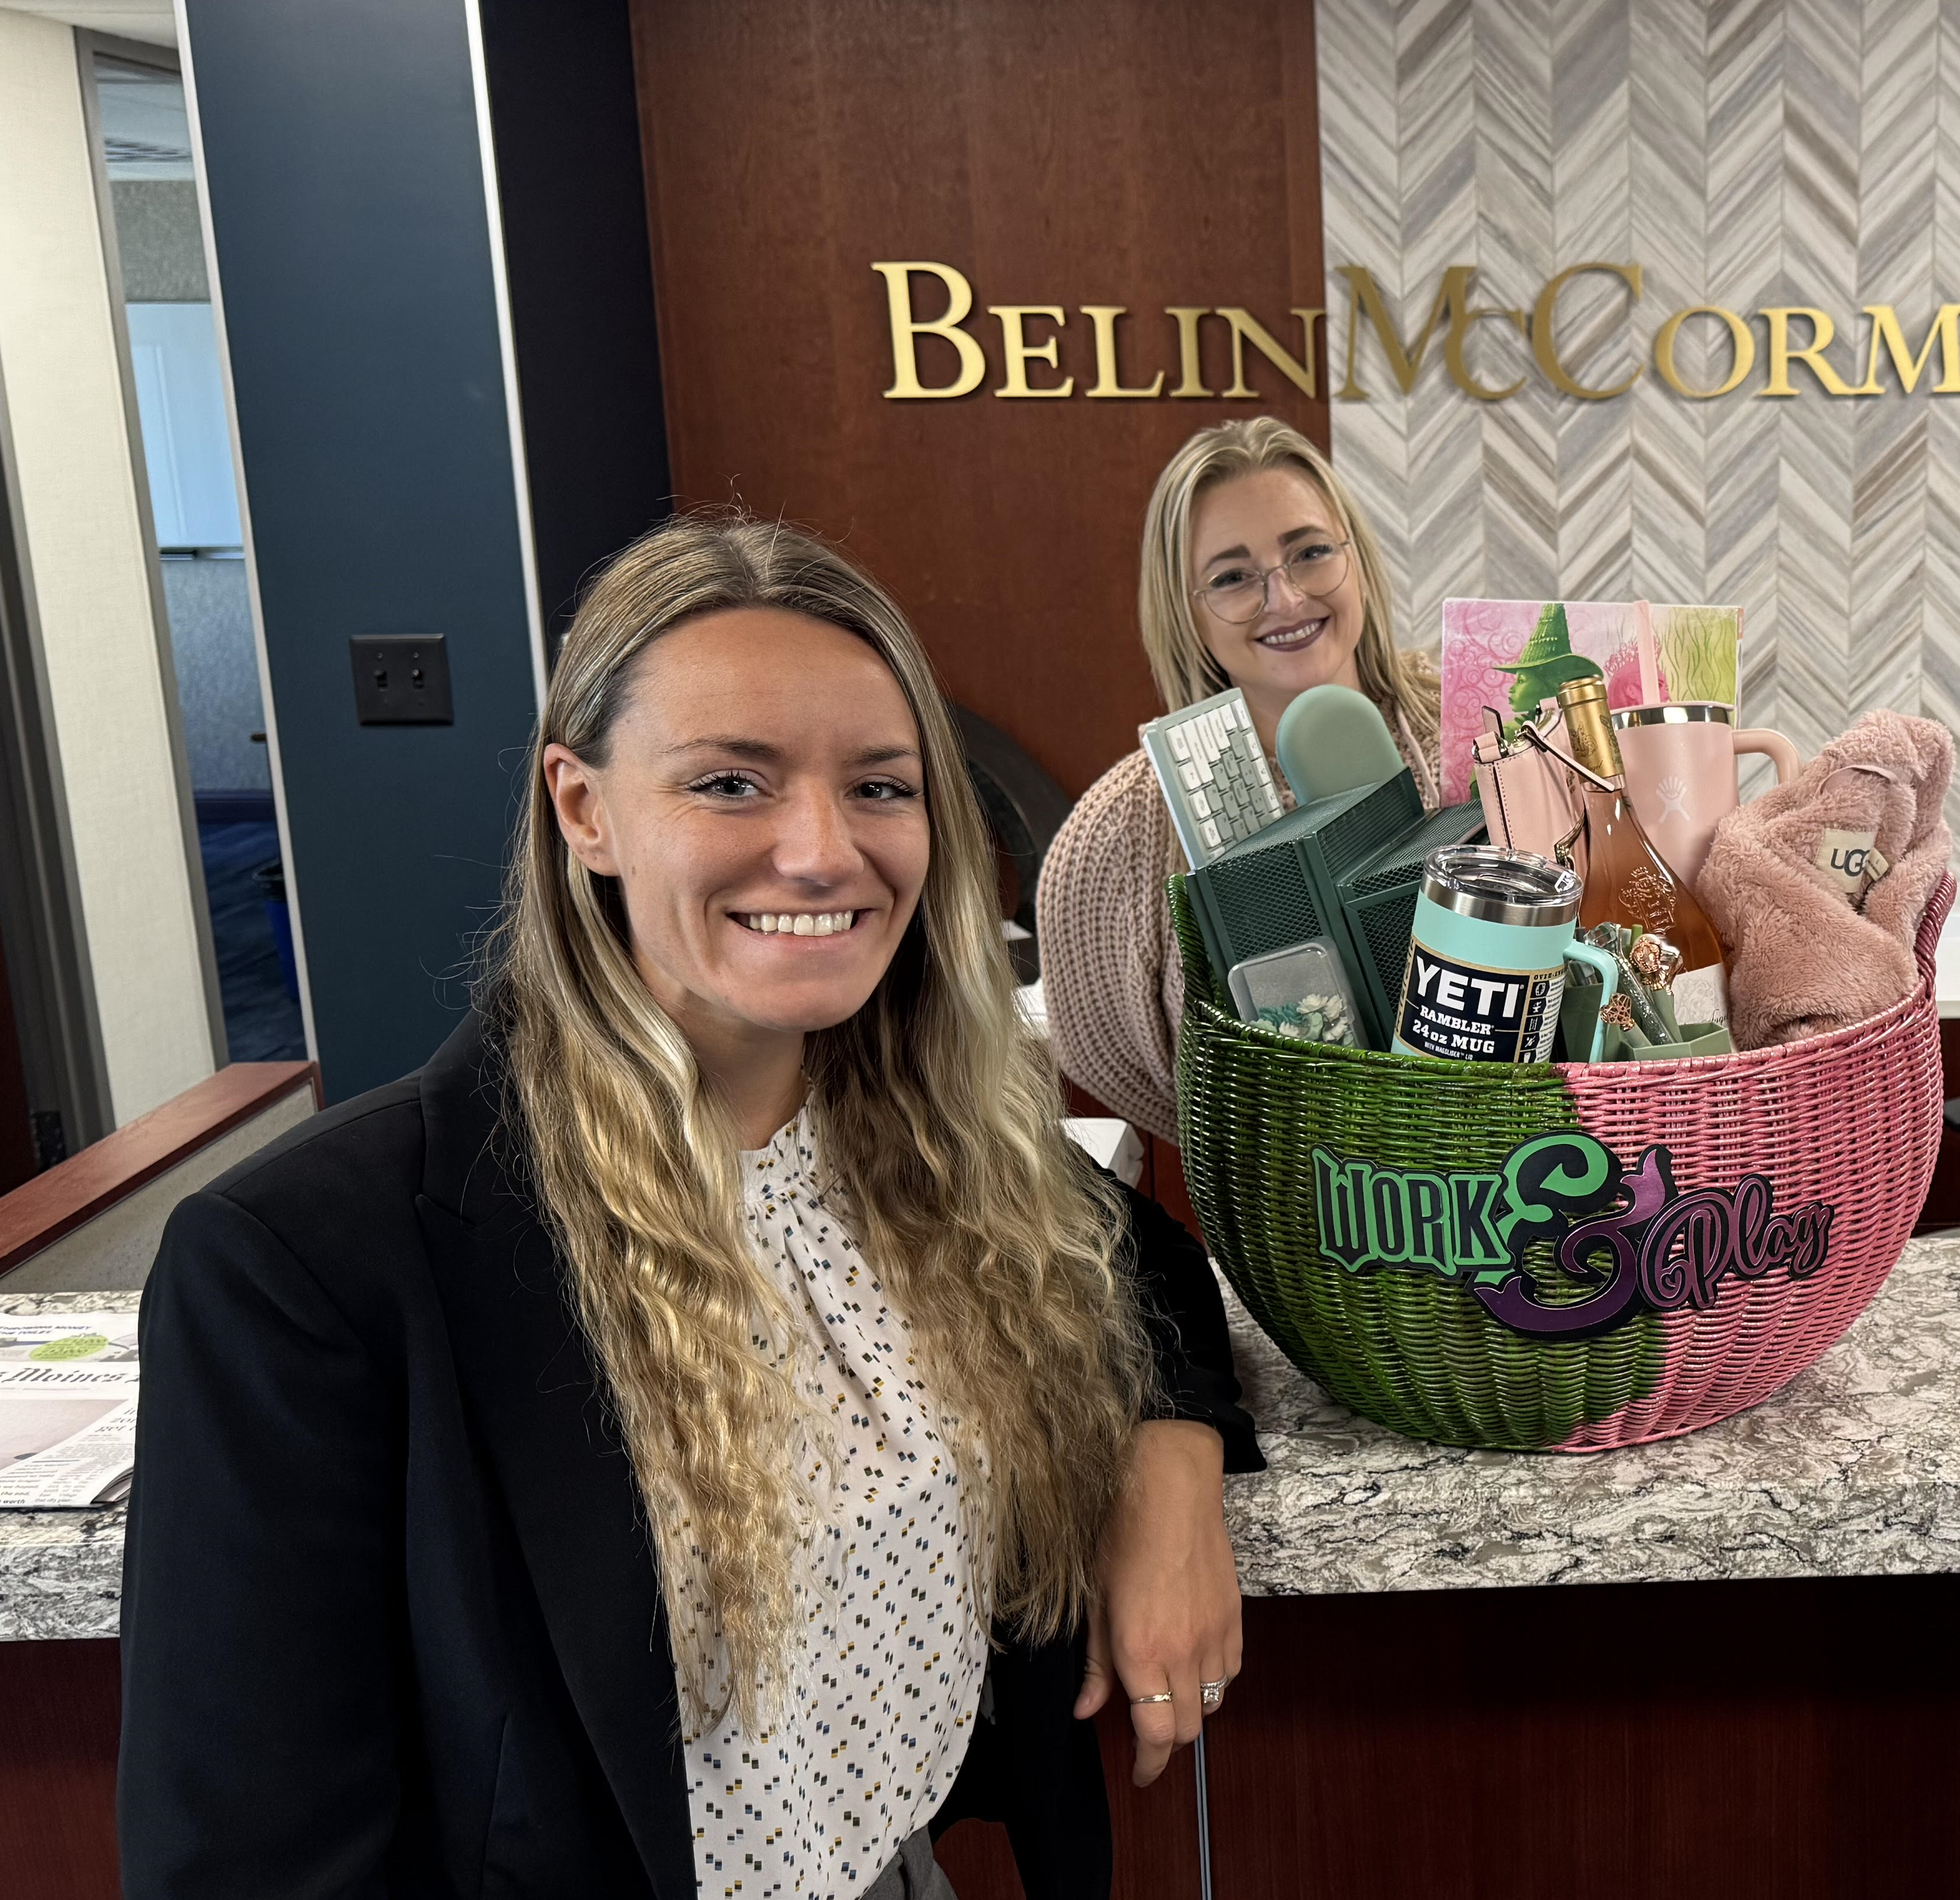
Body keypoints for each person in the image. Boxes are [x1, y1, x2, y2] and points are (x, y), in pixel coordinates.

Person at [119, 515, 1258, 1900]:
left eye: (881, 787)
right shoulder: (309, 1263)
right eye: (731, 781)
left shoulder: (935, 1147)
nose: (823, 850)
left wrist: (1170, 1458)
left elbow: (1151, 1270)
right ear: (582, 807)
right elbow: (250, 1856)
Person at [1035, 416, 1442, 1143]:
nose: (1283, 599)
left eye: (1309, 553)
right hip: (1285, 1220)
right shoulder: (1116, 832)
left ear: (1358, 560)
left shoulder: (1479, 723)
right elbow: (1107, 1057)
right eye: (1231, 578)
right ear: (1185, 611)